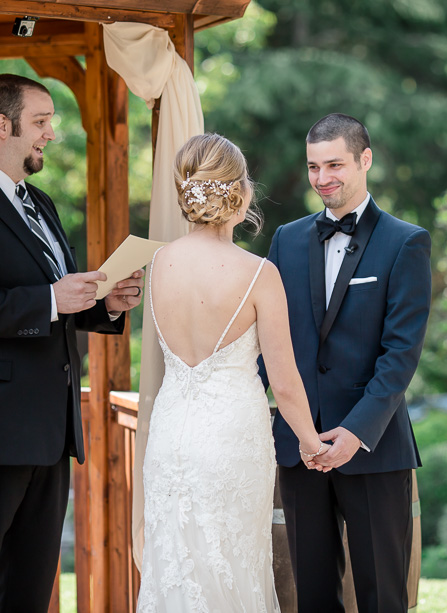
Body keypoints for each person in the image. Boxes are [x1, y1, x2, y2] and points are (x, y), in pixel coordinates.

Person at [0, 74, 143, 613]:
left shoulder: (41, 202)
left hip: (50, 434)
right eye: (41, 121)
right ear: (1, 125)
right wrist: (51, 299)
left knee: (31, 592)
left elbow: (57, 298)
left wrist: (107, 304)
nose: (51, 134)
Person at [137, 133, 325, 612]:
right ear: (238, 193)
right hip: (229, 438)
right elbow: (284, 382)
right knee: (233, 562)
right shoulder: (258, 274)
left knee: (174, 563)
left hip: (171, 435)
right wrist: (311, 442)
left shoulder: (159, 263)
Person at [265, 113, 431, 612]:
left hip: (374, 449)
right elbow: (272, 342)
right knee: (311, 597)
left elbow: (400, 356)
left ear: (365, 160)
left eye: (334, 164)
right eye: (314, 167)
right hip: (301, 448)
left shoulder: (407, 242)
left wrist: (354, 433)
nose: (322, 179)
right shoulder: (286, 241)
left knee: (383, 596)